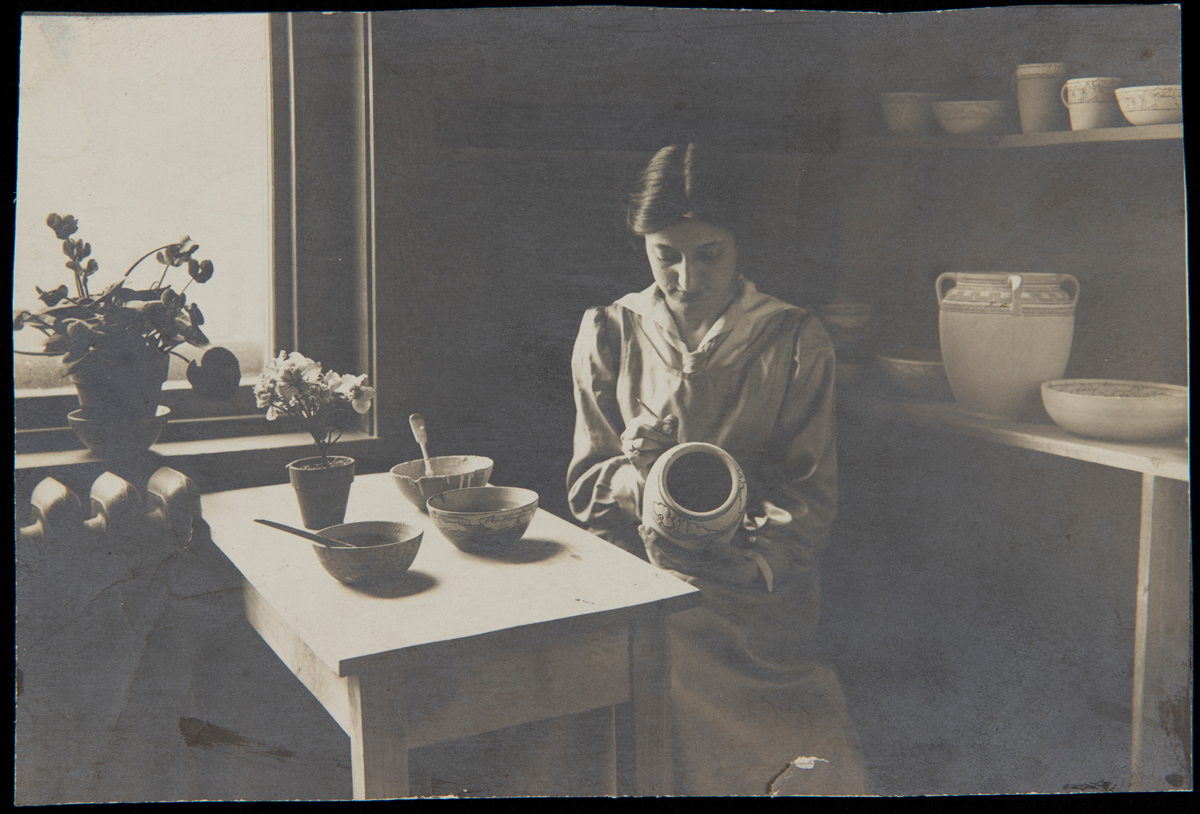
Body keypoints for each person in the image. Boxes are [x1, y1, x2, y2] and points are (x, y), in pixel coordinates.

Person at [567, 143, 868, 796]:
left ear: (738, 245)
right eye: (665, 256)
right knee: (603, 656)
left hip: (750, 583)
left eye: (710, 254)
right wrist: (633, 476)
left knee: (669, 653)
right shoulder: (611, 330)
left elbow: (807, 493)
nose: (687, 278)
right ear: (644, 246)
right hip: (636, 570)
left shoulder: (791, 339)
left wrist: (751, 560)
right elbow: (586, 487)